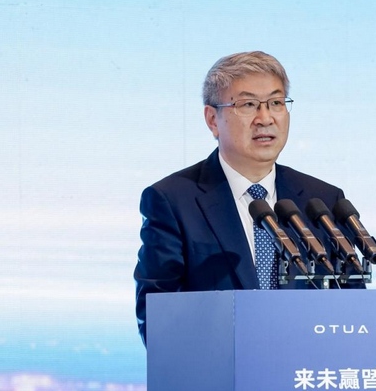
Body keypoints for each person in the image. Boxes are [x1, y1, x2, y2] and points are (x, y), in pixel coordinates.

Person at [134, 51, 363, 346]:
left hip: (307, 370)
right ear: (212, 119)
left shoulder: (323, 201)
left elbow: (352, 312)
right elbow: (158, 317)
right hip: (219, 370)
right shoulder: (173, 201)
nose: (265, 118)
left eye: (276, 103)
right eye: (248, 105)